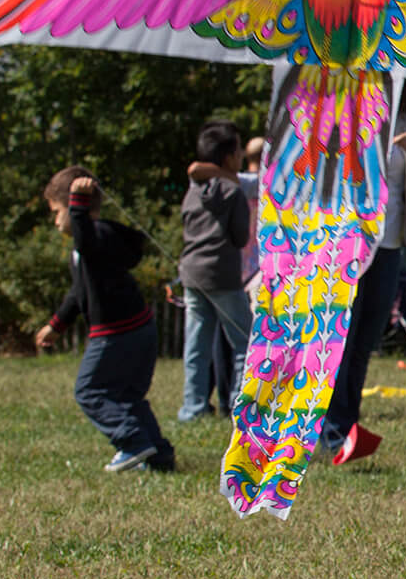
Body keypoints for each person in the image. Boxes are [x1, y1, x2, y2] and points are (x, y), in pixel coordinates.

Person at [320, 99, 406, 465]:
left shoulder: (404, 117)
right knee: (340, 339)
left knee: (364, 342)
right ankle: (329, 431)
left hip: (388, 246)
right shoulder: (337, 106)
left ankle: (344, 424)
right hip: (345, 242)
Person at [32, 168, 175, 473]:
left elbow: (86, 242)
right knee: (127, 397)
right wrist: (57, 324)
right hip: (138, 330)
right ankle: (159, 456)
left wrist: (78, 205)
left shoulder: (96, 238)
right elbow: (79, 291)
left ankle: (133, 442)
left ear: (76, 206)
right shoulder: (92, 244)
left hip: (118, 333)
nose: (56, 220)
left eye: (57, 212)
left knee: (89, 391)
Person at [177, 120, 252, 423]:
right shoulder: (234, 193)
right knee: (244, 343)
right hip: (222, 275)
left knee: (196, 343)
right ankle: (240, 406)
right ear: (228, 157)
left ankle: (192, 408)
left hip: (192, 274)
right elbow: (240, 237)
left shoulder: (193, 191)